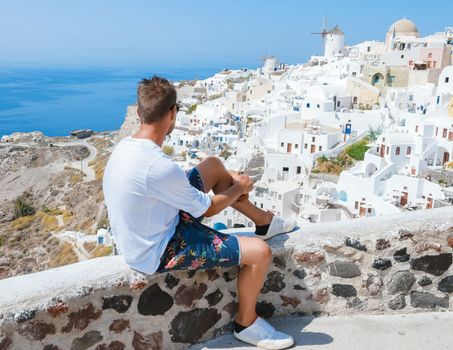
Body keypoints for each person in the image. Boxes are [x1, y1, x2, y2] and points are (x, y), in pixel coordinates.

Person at [103, 76, 296, 349]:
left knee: (215, 166)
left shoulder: (125, 147)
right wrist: (239, 185)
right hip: (158, 249)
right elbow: (211, 207)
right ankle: (247, 323)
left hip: (150, 226)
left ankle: (265, 222)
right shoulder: (158, 166)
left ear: (139, 112)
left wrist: (228, 183)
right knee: (260, 253)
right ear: (172, 113)